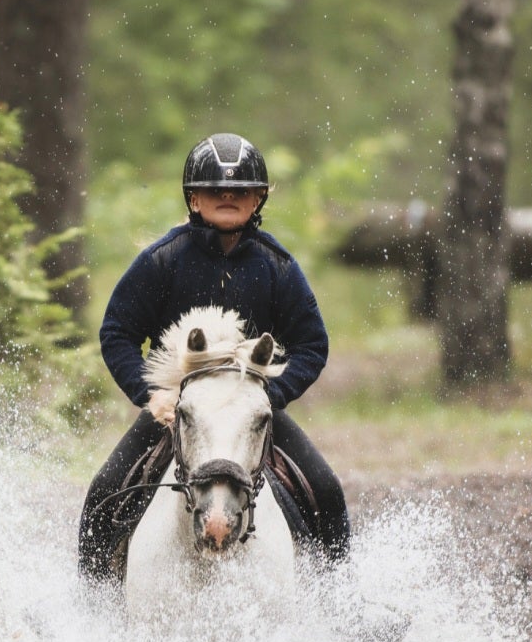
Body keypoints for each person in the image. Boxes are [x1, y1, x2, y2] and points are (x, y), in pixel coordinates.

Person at [79, 133, 350, 581]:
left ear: (258, 198)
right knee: (104, 490)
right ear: (193, 198)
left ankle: (344, 603)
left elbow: (312, 345)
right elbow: (117, 333)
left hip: (250, 411)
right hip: (178, 410)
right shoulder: (160, 261)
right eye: (214, 189)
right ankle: (87, 604)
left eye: (241, 190)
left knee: (326, 489)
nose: (228, 196)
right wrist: (152, 395)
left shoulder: (278, 266)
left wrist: (270, 396)